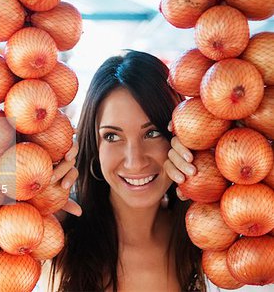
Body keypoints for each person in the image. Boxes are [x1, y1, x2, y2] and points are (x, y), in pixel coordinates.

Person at [40, 50, 205, 292]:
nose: (134, 161)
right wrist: (28, 195)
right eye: (112, 136)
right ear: (95, 148)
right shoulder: (60, 235)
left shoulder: (202, 235)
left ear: (178, 137)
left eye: (152, 133)